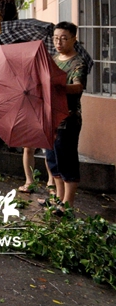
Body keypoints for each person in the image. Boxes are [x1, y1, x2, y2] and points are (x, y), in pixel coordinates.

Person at [43, 21, 87, 214]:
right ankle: (58, 198)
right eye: (55, 38)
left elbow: (78, 87)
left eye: (63, 38)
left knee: (66, 158)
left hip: (68, 119)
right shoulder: (53, 59)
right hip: (50, 117)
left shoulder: (78, 62)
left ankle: (68, 203)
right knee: (52, 158)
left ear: (73, 39)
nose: (58, 42)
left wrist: (58, 87)